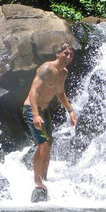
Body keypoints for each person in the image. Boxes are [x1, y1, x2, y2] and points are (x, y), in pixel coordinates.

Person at [22, 41, 77, 202]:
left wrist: (70, 110)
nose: (68, 57)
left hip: (44, 112)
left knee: (48, 146)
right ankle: (37, 181)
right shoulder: (46, 68)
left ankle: (44, 178)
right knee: (43, 144)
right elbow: (33, 91)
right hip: (32, 110)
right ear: (58, 53)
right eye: (66, 53)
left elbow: (60, 93)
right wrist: (35, 114)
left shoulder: (63, 73)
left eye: (71, 55)